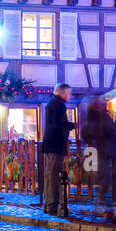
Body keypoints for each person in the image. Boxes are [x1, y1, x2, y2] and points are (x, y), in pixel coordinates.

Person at [42, 84, 74, 214]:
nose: (70, 96)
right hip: (56, 144)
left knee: (50, 175)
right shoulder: (59, 104)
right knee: (54, 175)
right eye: (69, 93)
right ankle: (52, 205)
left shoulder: (51, 103)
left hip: (50, 144)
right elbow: (58, 125)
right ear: (63, 93)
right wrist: (71, 125)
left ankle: (48, 203)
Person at [83, 97, 116, 212]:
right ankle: (102, 200)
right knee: (106, 175)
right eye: (102, 104)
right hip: (105, 149)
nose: (104, 106)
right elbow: (109, 130)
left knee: (105, 174)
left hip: (100, 149)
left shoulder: (93, 116)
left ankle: (104, 200)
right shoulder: (102, 117)